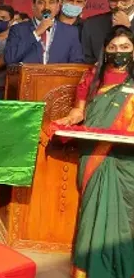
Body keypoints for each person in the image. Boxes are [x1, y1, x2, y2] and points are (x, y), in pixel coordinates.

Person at [55, 25, 134, 278]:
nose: (118, 52)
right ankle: (89, 270)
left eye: (125, 47)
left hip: (128, 162)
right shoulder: (93, 77)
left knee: (125, 218)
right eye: (113, 47)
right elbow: (80, 110)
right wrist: (69, 118)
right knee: (93, 212)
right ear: (105, 50)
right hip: (95, 157)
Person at [5, 0, 83, 65]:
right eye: (41, 2)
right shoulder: (18, 29)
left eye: (51, 2)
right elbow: (10, 59)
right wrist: (37, 33)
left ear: (57, 6)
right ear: (33, 6)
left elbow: (76, 63)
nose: (46, 7)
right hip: (28, 77)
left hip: (58, 77)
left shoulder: (70, 31)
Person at [82, 0, 134, 64]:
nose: (119, 5)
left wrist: (127, 28)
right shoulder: (91, 24)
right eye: (113, 1)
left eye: (125, 0)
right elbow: (86, 59)